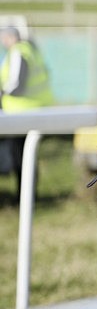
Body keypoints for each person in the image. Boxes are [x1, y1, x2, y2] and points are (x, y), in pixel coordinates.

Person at [0, 27, 54, 198]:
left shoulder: (18, 52)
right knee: (28, 156)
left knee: (20, 157)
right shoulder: (32, 51)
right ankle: (28, 195)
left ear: (9, 37)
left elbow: (16, 84)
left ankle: (23, 196)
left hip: (19, 114)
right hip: (34, 110)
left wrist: (2, 93)